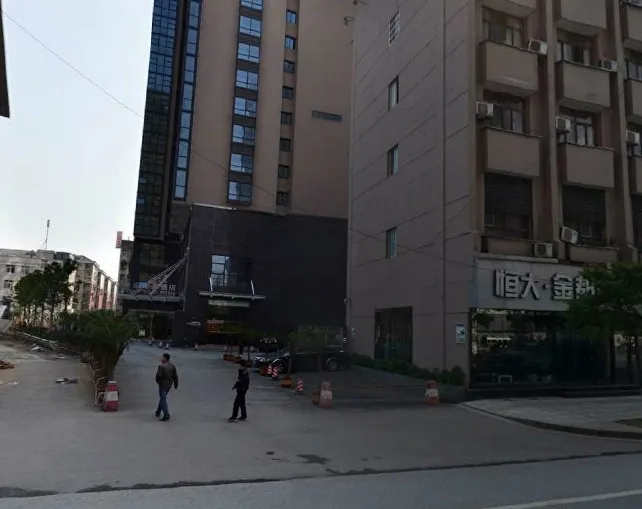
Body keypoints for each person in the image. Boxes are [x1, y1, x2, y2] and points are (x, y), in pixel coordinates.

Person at [155, 352, 178, 421]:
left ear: (165, 358)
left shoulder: (161, 366)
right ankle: (158, 411)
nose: (161, 358)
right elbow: (175, 376)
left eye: (162, 357)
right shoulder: (172, 366)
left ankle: (166, 414)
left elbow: (158, 376)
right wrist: (176, 384)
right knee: (163, 398)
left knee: (163, 398)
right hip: (169, 385)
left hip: (162, 385)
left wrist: (159, 382)